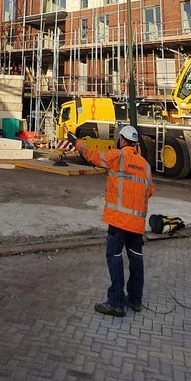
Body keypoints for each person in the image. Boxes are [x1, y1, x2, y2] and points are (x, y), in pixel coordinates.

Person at [77, 124, 154, 318]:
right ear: (135, 143)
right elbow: (150, 190)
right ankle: (135, 300)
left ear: (122, 140)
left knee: (115, 257)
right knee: (136, 259)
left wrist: (78, 144)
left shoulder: (117, 156)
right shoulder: (145, 166)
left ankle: (116, 302)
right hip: (137, 225)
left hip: (119, 221)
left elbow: (95, 156)